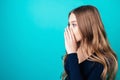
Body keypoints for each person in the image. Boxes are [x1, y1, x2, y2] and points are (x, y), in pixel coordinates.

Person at [62, 5, 118, 80]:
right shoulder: (74, 50)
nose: (69, 29)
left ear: (88, 26)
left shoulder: (102, 61)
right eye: (69, 24)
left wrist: (72, 54)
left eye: (74, 24)